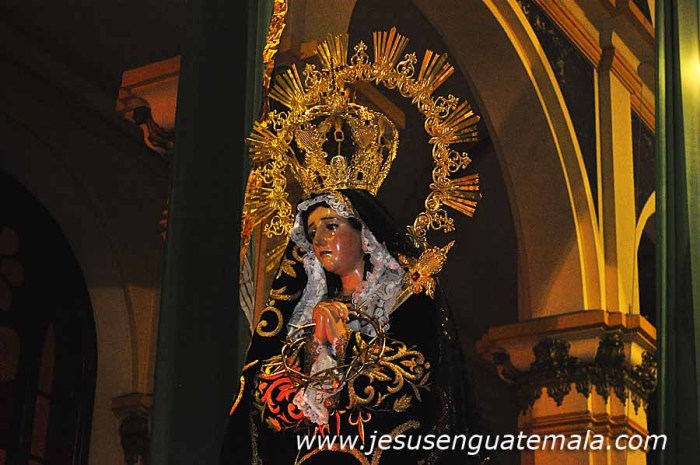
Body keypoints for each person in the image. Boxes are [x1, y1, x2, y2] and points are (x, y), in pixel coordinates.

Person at [221, 189, 486, 465]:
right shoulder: (307, 313)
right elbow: (267, 398)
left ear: (363, 232)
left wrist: (343, 339)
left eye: (331, 226)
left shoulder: (405, 297)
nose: (319, 240)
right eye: (312, 233)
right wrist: (314, 345)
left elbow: (416, 376)